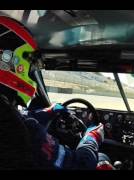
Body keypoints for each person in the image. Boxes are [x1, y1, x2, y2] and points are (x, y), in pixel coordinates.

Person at [0, 16, 113, 170]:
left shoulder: (10, 120)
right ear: (13, 64)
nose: (32, 73)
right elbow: (80, 164)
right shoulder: (23, 131)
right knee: (102, 159)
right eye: (31, 67)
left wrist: (49, 111)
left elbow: (16, 117)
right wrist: (92, 138)